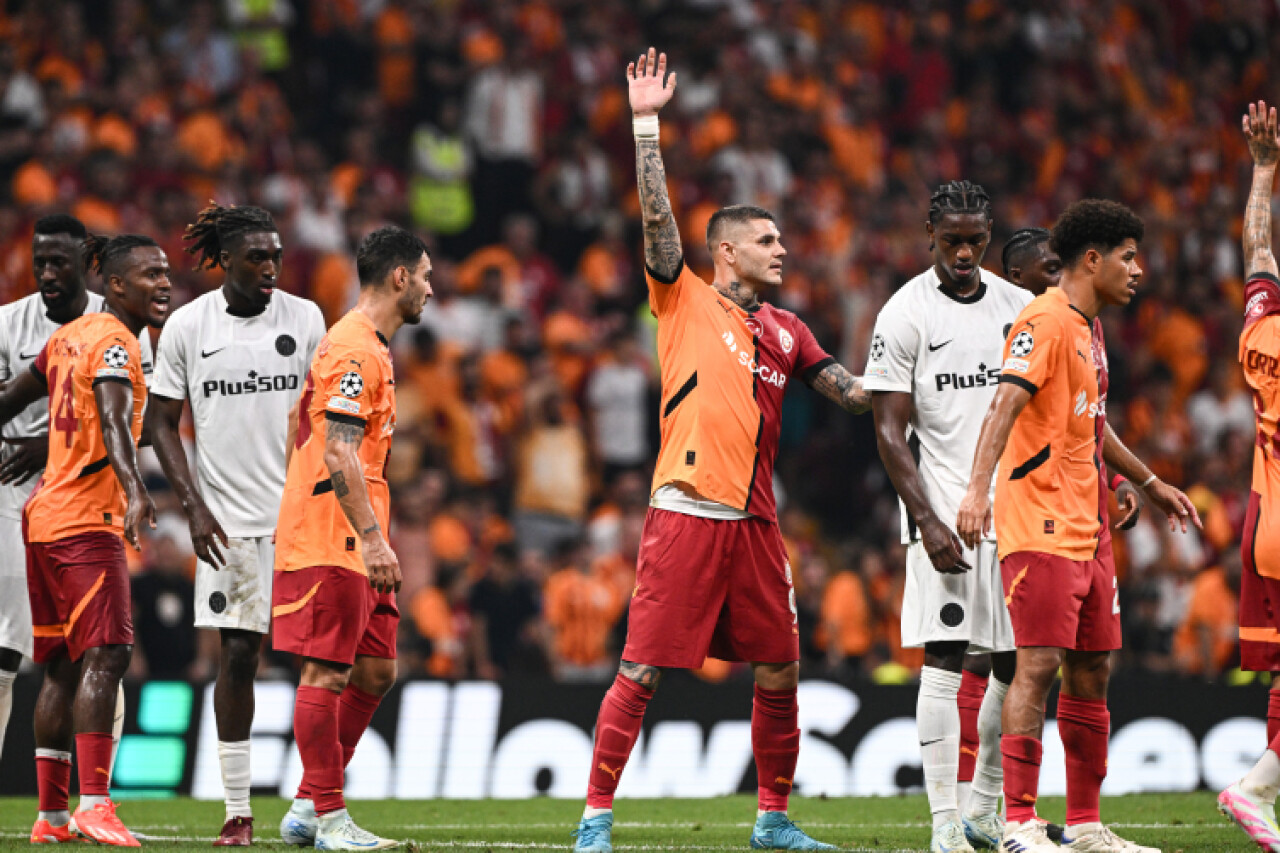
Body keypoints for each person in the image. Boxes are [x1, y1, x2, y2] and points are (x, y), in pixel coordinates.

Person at [571, 48, 872, 853]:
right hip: (688, 511)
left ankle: (772, 818)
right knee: (640, 669)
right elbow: (657, 221)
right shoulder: (683, 298)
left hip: (758, 525)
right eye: (767, 240)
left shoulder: (788, 329)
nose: (783, 249)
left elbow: (849, 392)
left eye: (782, 239)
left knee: (781, 668)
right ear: (728, 251)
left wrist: (916, 375)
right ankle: (595, 815)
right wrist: (645, 127)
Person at [956, 201, 1200, 853]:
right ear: (1092, 260)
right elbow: (1004, 404)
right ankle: (1019, 822)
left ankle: (1087, 825)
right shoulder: (1044, 319)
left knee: (1093, 670)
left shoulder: (1089, 329)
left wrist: (1147, 482)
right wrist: (976, 491)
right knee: (1036, 667)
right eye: (1128, 257)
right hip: (1038, 523)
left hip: (1089, 529)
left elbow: (1091, 419)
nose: (1138, 270)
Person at [146, 203, 325, 846]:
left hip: (301, 519)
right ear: (224, 260)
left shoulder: (306, 318)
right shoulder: (188, 326)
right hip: (229, 524)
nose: (271, 267)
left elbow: (324, 416)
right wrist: (193, 505)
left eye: (276, 255)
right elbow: (159, 423)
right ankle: (238, 809)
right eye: (257, 257)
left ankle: (317, 800)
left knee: (324, 661)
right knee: (239, 655)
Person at [864, 180, 1031, 853]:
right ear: (930, 232)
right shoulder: (905, 312)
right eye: (953, 240)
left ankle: (983, 808)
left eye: (976, 240)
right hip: (943, 512)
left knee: (1018, 661)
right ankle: (942, 824)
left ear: (989, 234)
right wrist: (927, 520)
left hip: (1017, 513)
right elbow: (888, 430)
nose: (964, 253)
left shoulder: (1019, 307)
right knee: (946, 655)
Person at [0, 233, 170, 846]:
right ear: (116, 286)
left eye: (166, 272)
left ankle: (51, 818)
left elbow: (10, 400)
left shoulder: (67, 337)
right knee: (109, 654)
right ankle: (95, 805)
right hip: (84, 522)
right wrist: (136, 487)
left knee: (60, 668)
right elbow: (116, 417)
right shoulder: (119, 342)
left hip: (42, 518)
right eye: (151, 274)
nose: (164, 283)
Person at [272, 226, 432, 851]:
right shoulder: (355, 349)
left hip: (356, 531)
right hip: (332, 532)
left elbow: (322, 435)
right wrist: (371, 537)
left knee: (375, 669)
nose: (429, 289)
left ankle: (307, 804)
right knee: (326, 671)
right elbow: (339, 452)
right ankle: (331, 819)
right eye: (424, 276)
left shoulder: (369, 347)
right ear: (400, 276)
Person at [1218, 99, 1280, 853]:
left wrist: (1264, 169)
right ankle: (1258, 785)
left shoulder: (1263, 337)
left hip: (1265, 527)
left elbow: (1258, 248)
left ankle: (1263, 791)